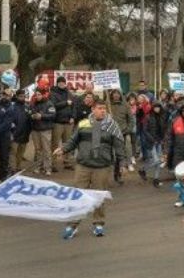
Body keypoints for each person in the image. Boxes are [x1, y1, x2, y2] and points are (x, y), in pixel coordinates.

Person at [55, 99, 127, 239]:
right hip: (83, 166)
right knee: (78, 196)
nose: (103, 111)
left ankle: (98, 224)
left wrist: (123, 163)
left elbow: (119, 147)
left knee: (98, 197)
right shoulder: (83, 124)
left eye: (104, 108)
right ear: (93, 109)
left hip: (102, 167)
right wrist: (63, 149)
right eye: (99, 108)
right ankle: (72, 225)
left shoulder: (112, 126)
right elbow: (73, 141)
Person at [51, 76, 76, 171]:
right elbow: (53, 106)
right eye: (60, 82)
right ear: (57, 83)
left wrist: (73, 117)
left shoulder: (69, 93)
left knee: (68, 143)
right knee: (55, 143)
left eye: (63, 82)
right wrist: (65, 103)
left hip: (68, 123)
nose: (62, 84)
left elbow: (74, 106)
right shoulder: (53, 93)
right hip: (58, 122)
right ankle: (53, 163)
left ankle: (67, 162)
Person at [108, 90, 134, 180]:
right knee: (109, 154)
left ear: (120, 95)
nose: (116, 95)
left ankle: (117, 173)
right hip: (109, 132)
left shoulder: (125, 105)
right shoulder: (107, 105)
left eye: (117, 93)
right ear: (111, 95)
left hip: (121, 133)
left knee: (119, 154)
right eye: (114, 94)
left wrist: (128, 130)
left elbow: (131, 119)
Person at [30, 88, 56, 175]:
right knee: (38, 150)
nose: (37, 96)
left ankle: (48, 168)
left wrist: (42, 116)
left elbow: (53, 115)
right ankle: (38, 167)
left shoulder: (49, 103)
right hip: (35, 129)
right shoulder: (34, 104)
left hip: (45, 130)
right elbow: (30, 113)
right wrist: (32, 116)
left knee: (46, 149)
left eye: (39, 95)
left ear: (43, 95)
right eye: (36, 95)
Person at [143, 102, 168, 187]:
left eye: (158, 107)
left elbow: (164, 129)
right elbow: (145, 130)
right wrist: (151, 139)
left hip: (159, 141)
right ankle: (143, 169)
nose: (157, 109)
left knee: (159, 161)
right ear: (153, 108)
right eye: (155, 107)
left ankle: (156, 179)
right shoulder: (148, 117)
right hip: (152, 142)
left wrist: (163, 139)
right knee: (157, 161)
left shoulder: (162, 117)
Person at [10, 90, 32, 173]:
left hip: (25, 133)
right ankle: (12, 168)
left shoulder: (27, 106)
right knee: (13, 152)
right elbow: (9, 120)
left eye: (24, 96)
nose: (22, 98)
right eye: (21, 96)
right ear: (17, 96)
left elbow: (30, 119)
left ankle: (18, 167)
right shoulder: (12, 106)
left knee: (21, 153)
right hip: (14, 133)